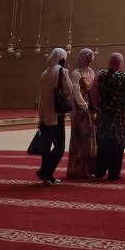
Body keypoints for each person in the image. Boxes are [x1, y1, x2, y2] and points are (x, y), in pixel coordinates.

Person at [90, 52, 125, 179]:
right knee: (117, 144)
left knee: (104, 143)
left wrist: (94, 110)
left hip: (104, 116)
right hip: (118, 118)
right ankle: (114, 173)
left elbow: (93, 94)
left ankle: (100, 171)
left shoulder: (101, 74)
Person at [37, 47, 74, 184]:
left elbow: (41, 98)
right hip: (57, 115)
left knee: (46, 147)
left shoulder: (45, 73)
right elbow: (69, 89)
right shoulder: (61, 71)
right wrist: (66, 71)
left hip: (45, 115)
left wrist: (40, 117)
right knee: (59, 147)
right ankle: (46, 172)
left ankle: (47, 175)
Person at [67, 48, 96, 179]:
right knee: (80, 140)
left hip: (90, 111)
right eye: (88, 58)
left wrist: (94, 107)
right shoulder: (76, 73)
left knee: (89, 141)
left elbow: (94, 90)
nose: (91, 61)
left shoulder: (91, 72)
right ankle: (78, 170)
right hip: (80, 113)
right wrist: (85, 107)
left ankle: (88, 169)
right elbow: (76, 94)